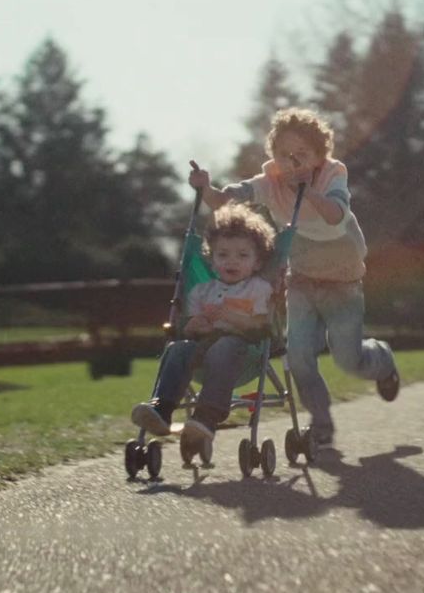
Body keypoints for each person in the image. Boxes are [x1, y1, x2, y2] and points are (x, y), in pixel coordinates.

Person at [188, 107, 400, 450]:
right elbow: (226, 200)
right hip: (301, 280)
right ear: (274, 156)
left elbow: (334, 216)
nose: (294, 161)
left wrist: (308, 191)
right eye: (286, 154)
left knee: (348, 359)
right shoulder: (269, 182)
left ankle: (382, 361)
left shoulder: (333, 174)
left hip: (343, 280)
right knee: (299, 357)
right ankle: (321, 424)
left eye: (303, 154)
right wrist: (205, 188)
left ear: (319, 156)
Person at [130, 205, 277, 459]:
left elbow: (259, 326)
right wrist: (194, 324)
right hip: (201, 351)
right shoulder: (202, 291)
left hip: (244, 352)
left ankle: (207, 416)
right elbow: (188, 327)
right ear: (212, 258)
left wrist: (229, 315)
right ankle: (162, 409)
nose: (232, 261)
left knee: (225, 346)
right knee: (177, 348)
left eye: (242, 255)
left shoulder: (258, 288)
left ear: (257, 262)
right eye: (223, 255)